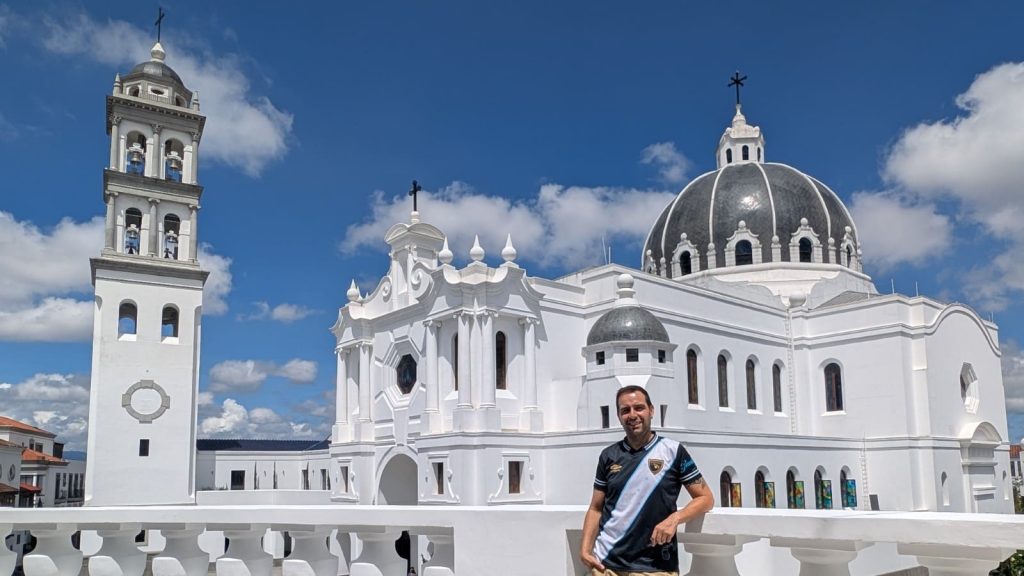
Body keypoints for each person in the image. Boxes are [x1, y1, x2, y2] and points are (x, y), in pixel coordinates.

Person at [580, 385, 714, 575]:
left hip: (654, 568)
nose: (632, 415)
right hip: (605, 565)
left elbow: (705, 498)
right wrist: (585, 549)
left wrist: (675, 519)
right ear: (619, 416)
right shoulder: (608, 456)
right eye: (625, 410)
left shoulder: (673, 451)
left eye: (639, 408)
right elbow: (596, 508)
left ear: (651, 411)